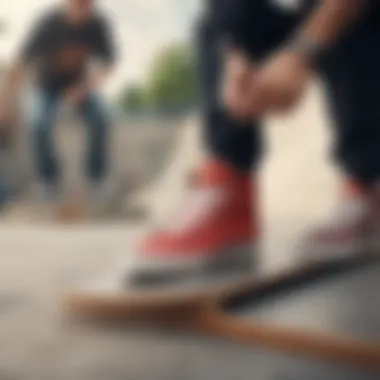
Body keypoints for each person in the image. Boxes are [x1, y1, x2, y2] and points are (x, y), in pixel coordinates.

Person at [125, 0, 380, 285]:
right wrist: (233, 54)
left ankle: (364, 189)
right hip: (296, 19)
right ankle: (228, 194)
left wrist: (302, 54)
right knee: (220, 22)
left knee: (361, 15)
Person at [0, 0, 116, 203]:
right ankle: (49, 181)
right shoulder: (49, 24)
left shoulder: (96, 25)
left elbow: (107, 64)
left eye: (87, 7)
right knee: (37, 123)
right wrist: (6, 100)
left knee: (101, 117)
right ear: (68, 4)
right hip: (46, 87)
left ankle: (96, 178)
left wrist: (84, 89)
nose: (82, 14)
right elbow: (20, 62)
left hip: (79, 87)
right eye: (78, 7)